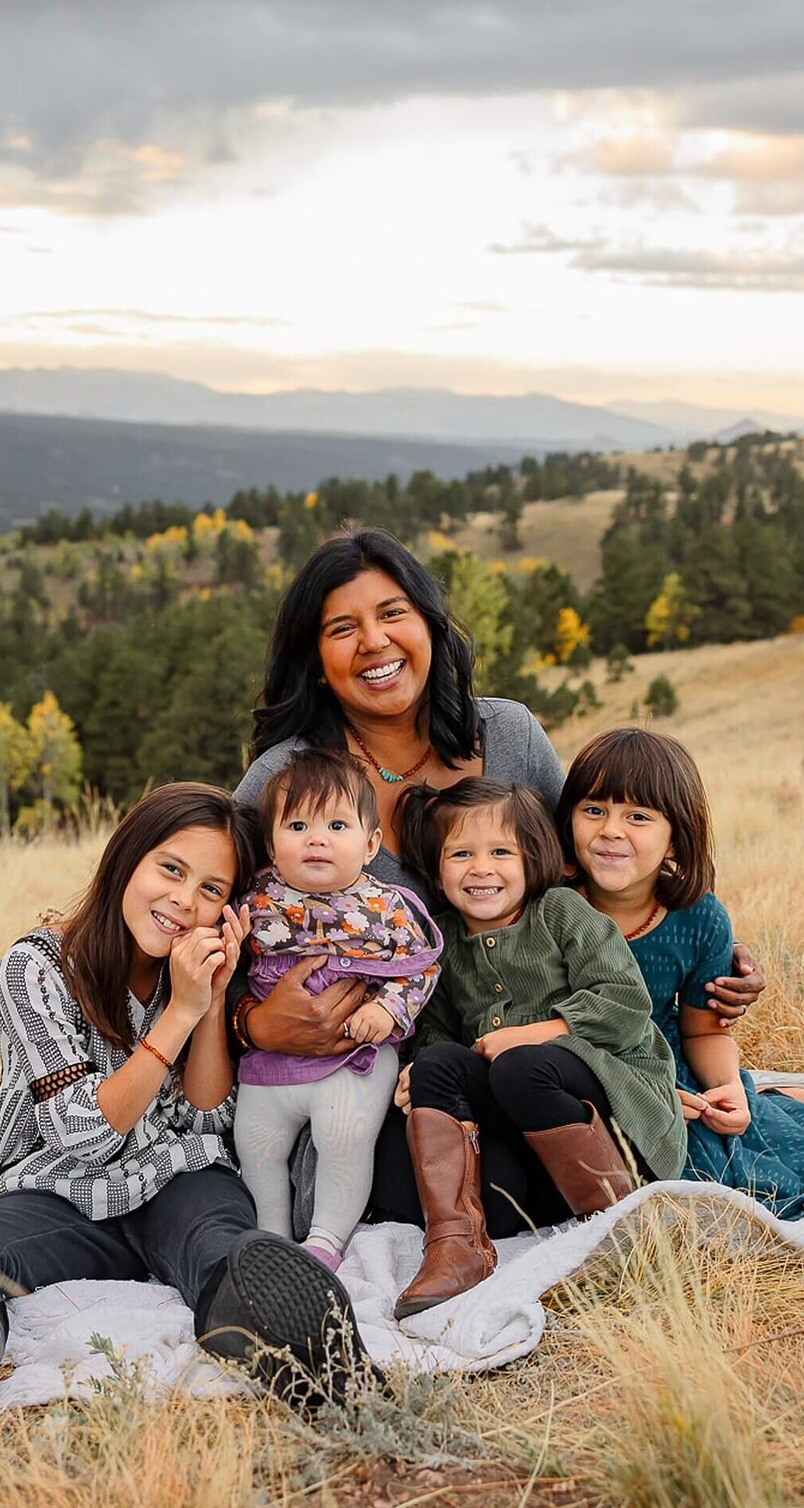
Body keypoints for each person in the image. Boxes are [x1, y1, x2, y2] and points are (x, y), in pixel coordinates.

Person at [0, 784, 375, 1496]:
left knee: (223, 1244)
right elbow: (84, 1136)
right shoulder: (34, 967)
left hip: (179, 1178)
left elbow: (212, 1114)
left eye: (213, 889)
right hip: (61, 1186)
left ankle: (306, 1356)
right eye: (171, 869)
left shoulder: (201, 968)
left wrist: (207, 1000)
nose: (186, 901)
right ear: (126, 860)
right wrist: (176, 1017)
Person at [230, 527, 762, 1221]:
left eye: (393, 613)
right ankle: (573, 1207)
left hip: (539, 1051)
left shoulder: (508, 736)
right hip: (384, 1072)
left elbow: (597, 860)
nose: (374, 642)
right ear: (314, 656)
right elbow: (216, 915)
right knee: (397, 1186)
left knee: (509, 1116)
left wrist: (699, 938)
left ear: (428, 622)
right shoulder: (286, 780)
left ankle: (605, 1205)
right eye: (342, 628)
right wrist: (255, 1022)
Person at [390, 777, 686, 1319]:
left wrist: (529, 1034)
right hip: (525, 1135)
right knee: (438, 1065)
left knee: (520, 1067)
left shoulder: (560, 912)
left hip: (612, 1105)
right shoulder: (445, 942)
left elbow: (624, 1006)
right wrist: (417, 1074)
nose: (481, 868)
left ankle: (623, 1232)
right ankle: (458, 1247)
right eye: (461, 854)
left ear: (532, 858)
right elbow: (436, 1032)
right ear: (437, 871)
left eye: (501, 851)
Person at [557, 727, 804, 1220]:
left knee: (731, 1165)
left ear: (675, 839)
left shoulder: (699, 919)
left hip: (664, 1066)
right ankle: (777, 1092)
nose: (611, 831)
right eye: (594, 810)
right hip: (568, 1069)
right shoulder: (548, 906)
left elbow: (703, 1031)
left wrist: (725, 1085)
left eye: (637, 817)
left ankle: (770, 1097)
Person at [233, 747, 443, 1270]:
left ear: (371, 844)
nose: (316, 838)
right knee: (256, 1144)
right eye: (298, 824)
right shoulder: (254, 898)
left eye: (336, 824)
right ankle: (271, 1233)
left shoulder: (388, 906)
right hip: (271, 1057)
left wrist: (392, 1010)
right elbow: (227, 963)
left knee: (344, 1136)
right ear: (270, 844)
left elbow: (423, 967)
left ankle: (326, 1238)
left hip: (356, 1050)